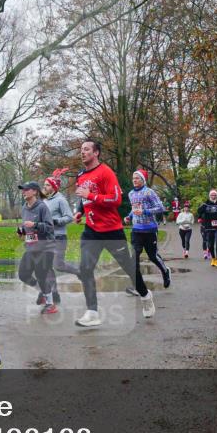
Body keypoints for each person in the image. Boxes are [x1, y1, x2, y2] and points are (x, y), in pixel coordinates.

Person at [73, 139, 155, 327]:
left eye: (86, 149)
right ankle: (92, 312)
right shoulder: (81, 175)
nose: (82, 152)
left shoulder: (106, 172)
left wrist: (90, 196)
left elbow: (116, 199)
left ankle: (145, 295)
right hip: (91, 231)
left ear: (96, 153)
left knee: (129, 268)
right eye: (81, 149)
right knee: (85, 269)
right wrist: (79, 211)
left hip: (111, 230)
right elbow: (83, 198)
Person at [16, 181, 57, 314]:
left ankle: (50, 304)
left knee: (41, 275)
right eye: (22, 189)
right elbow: (27, 227)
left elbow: (50, 227)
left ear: (34, 191)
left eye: (26, 189)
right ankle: (43, 292)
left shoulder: (42, 207)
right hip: (31, 247)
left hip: (45, 247)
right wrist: (22, 231)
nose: (23, 192)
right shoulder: (24, 207)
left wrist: (35, 225)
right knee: (23, 274)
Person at [128, 169, 171, 289]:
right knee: (134, 257)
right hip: (136, 230)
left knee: (152, 256)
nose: (134, 180)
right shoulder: (131, 193)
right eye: (133, 178)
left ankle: (165, 271)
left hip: (150, 229)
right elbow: (134, 208)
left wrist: (145, 211)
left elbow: (160, 208)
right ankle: (136, 285)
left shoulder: (149, 192)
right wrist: (129, 216)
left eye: (137, 178)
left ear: (143, 180)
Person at [41, 168, 77, 305]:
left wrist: (55, 221)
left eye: (47, 185)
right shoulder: (44, 200)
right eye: (44, 185)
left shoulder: (61, 200)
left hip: (59, 237)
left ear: (54, 187)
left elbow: (69, 217)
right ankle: (54, 294)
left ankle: (79, 272)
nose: (44, 187)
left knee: (58, 265)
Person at [196, 189, 217, 267]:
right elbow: (199, 211)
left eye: (215, 195)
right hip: (209, 227)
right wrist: (202, 207)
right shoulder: (206, 203)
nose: (213, 196)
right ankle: (213, 258)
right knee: (210, 244)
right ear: (209, 196)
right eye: (212, 195)